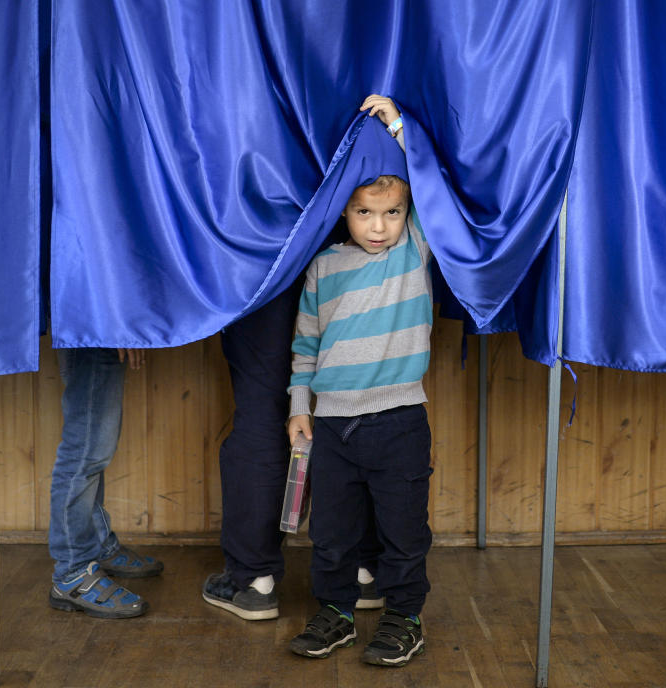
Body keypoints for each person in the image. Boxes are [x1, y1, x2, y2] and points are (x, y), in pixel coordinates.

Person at [286, 95, 433, 667]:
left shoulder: (414, 252)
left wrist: (396, 130)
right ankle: (337, 612)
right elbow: (305, 345)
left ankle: (404, 618)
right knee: (332, 533)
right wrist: (300, 404)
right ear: (343, 212)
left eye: (392, 213)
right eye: (366, 213)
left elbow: (431, 191)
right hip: (332, 423)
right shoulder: (323, 267)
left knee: (403, 532)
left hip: (399, 421)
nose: (380, 226)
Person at [201, 279, 386, 621]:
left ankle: (256, 582)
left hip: (260, 254)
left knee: (260, 406)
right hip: (341, 243)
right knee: (356, 402)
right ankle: (361, 572)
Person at [48, 347, 164, 618]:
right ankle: (73, 572)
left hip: (93, 326)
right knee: (85, 451)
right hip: (94, 325)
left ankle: (98, 546)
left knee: (92, 451)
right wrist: (115, 326)